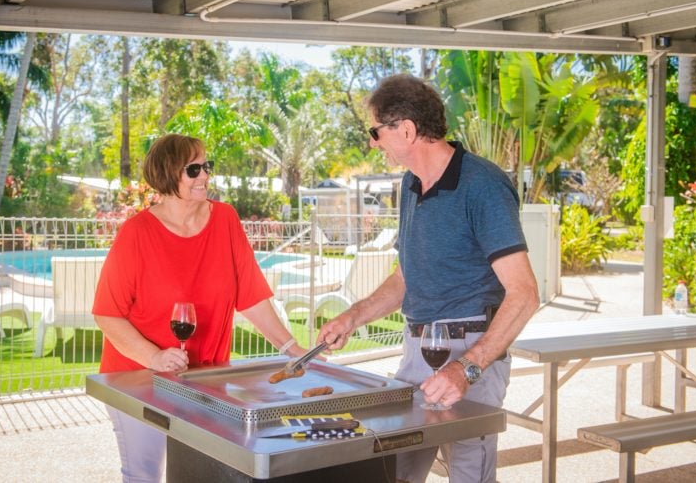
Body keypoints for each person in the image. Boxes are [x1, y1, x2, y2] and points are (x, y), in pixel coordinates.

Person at [317, 74, 539, 483]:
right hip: (417, 350)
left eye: (375, 131)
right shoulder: (410, 184)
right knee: (393, 472)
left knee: (470, 477)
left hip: (471, 352)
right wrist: (352, 316)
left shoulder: (483, 185)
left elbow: (524, 294)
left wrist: (467, 369)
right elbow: (405, 277)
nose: (373, 143)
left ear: (406, 130)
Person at [92, 134, 305, 482]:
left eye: (206, 166)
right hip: (139, 378)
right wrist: (154, 357)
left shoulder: (225, 219)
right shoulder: (136, 233)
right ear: (168, 174)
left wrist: (292, 348)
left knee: (201, 473)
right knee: (144, 475)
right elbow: (107, 314)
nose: (205, 175)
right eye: (193, 170)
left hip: (205, 381)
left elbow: (251, 296)